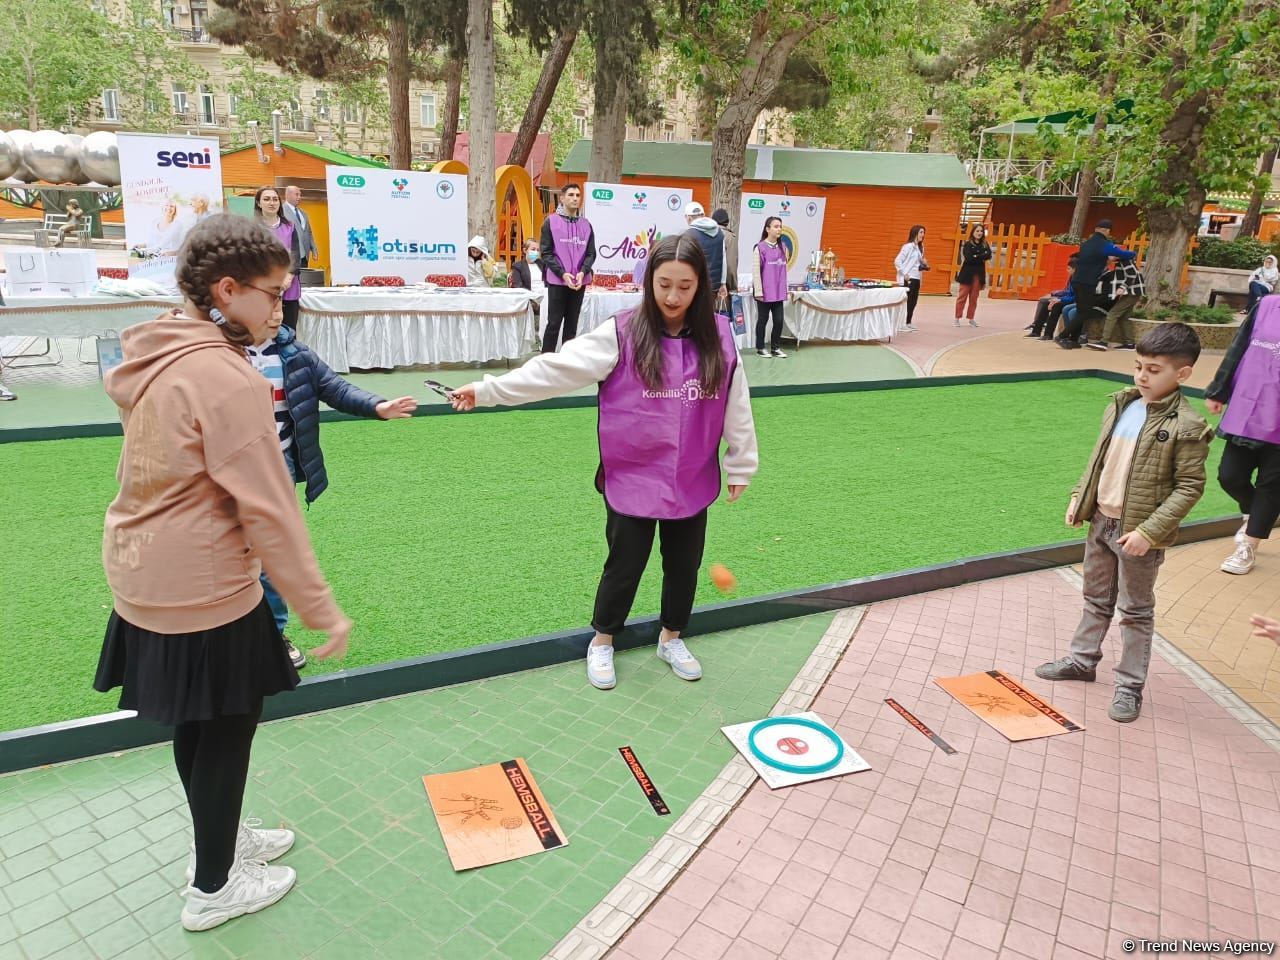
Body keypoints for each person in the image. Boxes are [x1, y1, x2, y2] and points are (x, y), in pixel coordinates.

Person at [93, 214, 352, 931]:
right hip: (201, 582)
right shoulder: (224, 375)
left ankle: (221, 838)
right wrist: (320, 607)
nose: (281, 306)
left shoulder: (159, 348)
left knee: (200, 721)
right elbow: (269, 508)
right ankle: (213, 887)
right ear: (226, 290)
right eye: (271, 294)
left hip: (147, 569)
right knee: (228, 728)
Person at [448, 234, 758, 691]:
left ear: (701, 287)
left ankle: (671, 636)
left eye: (685, 287)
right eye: (663, 284)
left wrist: (741, 463)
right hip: (632, 476)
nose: (672, 297)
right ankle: (603, 641)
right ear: (649, 281)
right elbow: (553, 370)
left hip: (691, 477)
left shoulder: (720, 339)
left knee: (683, 565)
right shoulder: (622, 332)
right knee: (625, 563)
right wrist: (489, 390)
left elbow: (737, 403)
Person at [1036, 323, 1211, 722]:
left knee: (1135, 611)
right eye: (1138, 366)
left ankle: (1129, 686)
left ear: (1182, 374)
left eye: (1154, 369)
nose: (1142, 376)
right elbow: (1099, 460)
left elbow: (1189, 488)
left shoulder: (1187, 426)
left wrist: (1149, 533)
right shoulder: (1122, 405)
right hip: (1102, 520)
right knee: (1095, 597)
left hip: (1138, 534)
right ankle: (1082, 661)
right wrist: (1079, 498)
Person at [245, 301, 416, 668]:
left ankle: (273, 635)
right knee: (232, 555)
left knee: (271, 557)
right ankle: (225, 638)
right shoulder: (217, 353)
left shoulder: (294, 352)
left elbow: (333, 387)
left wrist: (377, 406)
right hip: (228, 473)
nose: (276, 312)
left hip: (279, 470)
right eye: (268, 301)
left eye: (279, 302)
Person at [1204, 293, 1280, 576]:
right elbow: (1238, 348)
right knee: (1229, 475)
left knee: (1271, 486)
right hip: (1250, 408)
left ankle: (1248, 546)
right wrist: (1219, 390)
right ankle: (1254, 512)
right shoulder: (1267, 306)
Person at [539, 183, 596, 352]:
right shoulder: (551, 222)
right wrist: (562, 274)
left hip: (579, 281)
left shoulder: (586, 225)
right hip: (557, 280)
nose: (575, 198)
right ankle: (545, 361)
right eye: (571, 195)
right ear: (562, 198)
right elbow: (546, 253)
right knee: (554, 323)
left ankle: (567, 361)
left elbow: (591, 253)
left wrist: (582, 272)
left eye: (578, 195)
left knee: (572, 325)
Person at [1071, 219, 1136, 335]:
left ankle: (1072, 338)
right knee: (1084, 312)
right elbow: (1125, 254)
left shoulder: (1085, 244)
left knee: (1079, 311)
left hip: (1077, 280)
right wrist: (1133, 254)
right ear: (1107, 231)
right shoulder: (1105, 245)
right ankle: (1065, 336)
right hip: (1089, 283)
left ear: (1096, 229)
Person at [253, 187, 303, 329]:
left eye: (275, 199)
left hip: (289, 286)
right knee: (264, 331)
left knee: (288, 332)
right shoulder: (252, 228)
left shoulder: (290, 227)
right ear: (258, 203)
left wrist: (288, 278)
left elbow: (295, 255)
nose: (272, 203)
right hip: (262, 287)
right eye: (267, 199)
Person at [1086, 258, 1146, 351]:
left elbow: (1132, 274)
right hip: (1132, 292)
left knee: (1112, 314)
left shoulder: (1126, 261)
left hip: (1132, 292)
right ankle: (1130, 343)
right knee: (1124, 317)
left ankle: (1104, 342)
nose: (1108, 259)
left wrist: (1122, 287)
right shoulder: (1121, 262)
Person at [752, 215, 788, 358]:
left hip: (778, 292)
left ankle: (775, 348)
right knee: (763, 320)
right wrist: (759, 291)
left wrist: (785, 289)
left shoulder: (783, 247)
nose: (779, 229)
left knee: (779, 320)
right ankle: (760, 348)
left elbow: (783, 270)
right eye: (776, 226)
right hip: (765, 292)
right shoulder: (759, 248)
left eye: (780, 226)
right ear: (768, 229)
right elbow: (756, 272)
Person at [683, 202, 729, 305]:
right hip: (714, 285)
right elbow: (723, 259)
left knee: (692, 318)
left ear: (689, 217)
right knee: (707, 316)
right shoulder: (719, 232)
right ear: (703, 215)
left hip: (694, 285)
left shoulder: (689, 235)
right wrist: (723, 283)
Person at [1027, 255, 1077, 340]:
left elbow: (1075, 297)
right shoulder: (1072, 277)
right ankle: (1036, 331)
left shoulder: (1079, 280)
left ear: (1075, 269)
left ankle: (1048, 334)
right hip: (1067, 298)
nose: (1067, 271)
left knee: (1056, 306)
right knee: (1046, 302)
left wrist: (1060, 299)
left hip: (1073, 301)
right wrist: (1055, 295)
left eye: (1069, 269)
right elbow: (1068, 292)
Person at [954, 223, 992, 327]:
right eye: (977, 231)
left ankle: (971, 318)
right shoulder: (968, 244)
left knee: (974, 298)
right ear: (973, 232)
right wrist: (981, 256)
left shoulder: (985, 244)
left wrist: (977, 255)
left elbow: (988, 255)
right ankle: (957, 318)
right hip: (967, 274)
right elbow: (969, 258)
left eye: (981, 231)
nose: (979, 233)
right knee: (962, 297)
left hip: (978, 274)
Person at [894, 225, 929, 331]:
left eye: (923, 233)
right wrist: (904, 273)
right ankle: (900, 324)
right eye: (921, 232)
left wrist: (923, 263)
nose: (923, 235)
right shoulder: (908, 246)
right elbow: (897, 261)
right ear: (915, 233)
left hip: (917, 277)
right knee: (906, 301)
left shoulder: (920, 248)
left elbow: (916, 263)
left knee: (913, 301)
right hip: (908, 278)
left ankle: (908, 322)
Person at [282, 186, 318, 269]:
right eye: (297, 194)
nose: (299, 197)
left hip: (305, 256)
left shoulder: (304, 213)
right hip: (290, 257)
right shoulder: (281, 211)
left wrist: (314, 249)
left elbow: (309, 232)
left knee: (302, 281)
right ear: (288, 195)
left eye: (300, 195)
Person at [712, 208, 738, 293]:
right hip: (722, 286)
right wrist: (732, 287)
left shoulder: (704, 234)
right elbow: (731, 264)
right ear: (727, 222)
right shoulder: (730, 237)